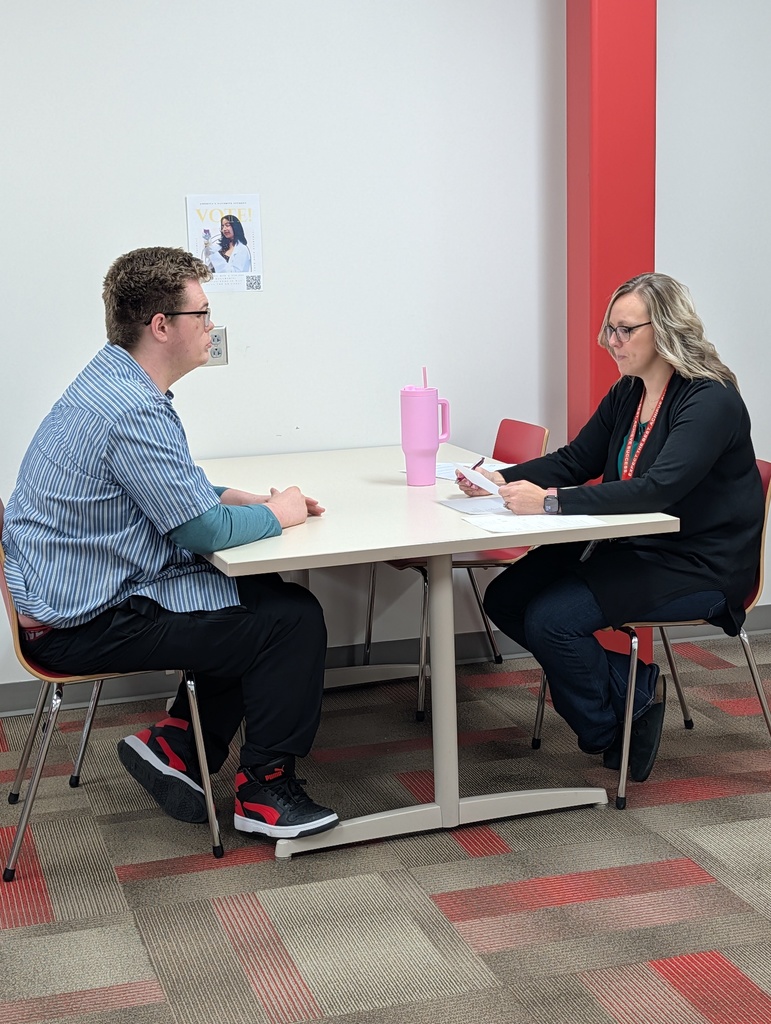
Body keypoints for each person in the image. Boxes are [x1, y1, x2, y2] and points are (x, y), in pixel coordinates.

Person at [2, 246, 337, 840]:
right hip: (80, 624)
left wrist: (237, 496)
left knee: (248, 592)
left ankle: (179, 743)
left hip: (64, 596)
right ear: (162, 326)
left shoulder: (110, 382)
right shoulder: (133, 409)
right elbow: (200, 531)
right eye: (203, 314)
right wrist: (281, 512)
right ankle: (264, 792)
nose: (212, 328)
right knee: (292, 619)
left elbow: (161, 485)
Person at [458, 273, 763, 782]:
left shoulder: (710, 400)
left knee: (552, 620)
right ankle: (632, 690)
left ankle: (607, 728)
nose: (611, 343)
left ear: (666, 328)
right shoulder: (631, 391)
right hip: (633, 545)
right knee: (506, 600)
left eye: (624, 330)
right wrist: (498, 480)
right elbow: (578, 458)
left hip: (697, 563)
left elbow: (657, 489)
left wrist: (551, 504)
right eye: (609, 330)